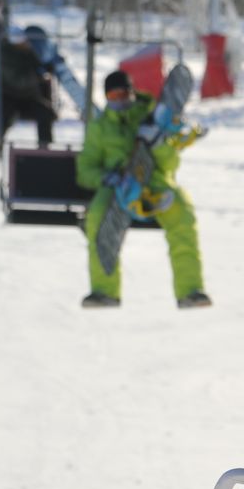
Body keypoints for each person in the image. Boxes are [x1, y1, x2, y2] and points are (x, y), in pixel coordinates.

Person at [75, 69, 210, 310]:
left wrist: (158, 145)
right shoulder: (100, 127)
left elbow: (170, 164)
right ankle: (104, 291)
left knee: (183, 213)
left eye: (124, 94)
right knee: (97, 216)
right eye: (114, 96)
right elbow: (86, 168)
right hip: (117, 186)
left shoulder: (149, 117)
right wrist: (107, 177)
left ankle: (190, 290)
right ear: (107, 97)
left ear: (133, 93)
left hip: (155, 180)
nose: (120, 101)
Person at [0, 25, 64, 162]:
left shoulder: (27, 52)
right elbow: (20, 79)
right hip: (10, 95)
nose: (26, 44)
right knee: (0, 117)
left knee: (45, 114)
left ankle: (45, 148)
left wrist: (47, 67)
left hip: (28, 97)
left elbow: (37, 66)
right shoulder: (6, 57)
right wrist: (37, 75)